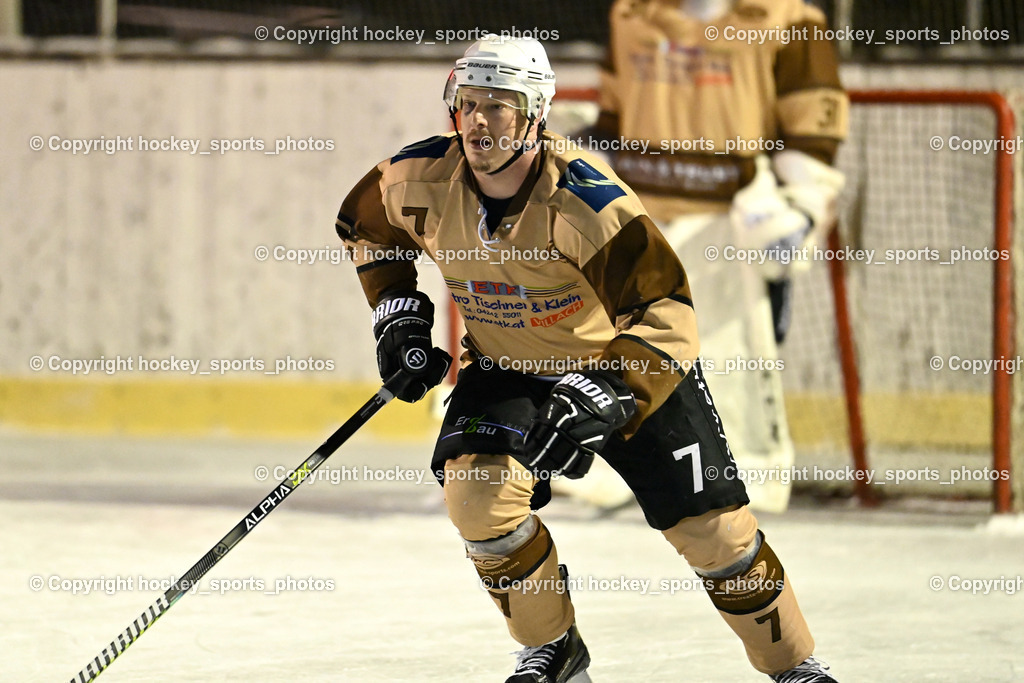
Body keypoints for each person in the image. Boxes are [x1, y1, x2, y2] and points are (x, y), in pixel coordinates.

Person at [335, 34, 837, 683]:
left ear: (536, 112)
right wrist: (397, 317)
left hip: (620, 365)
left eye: (500, 104)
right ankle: (553, 649)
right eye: (468, 103)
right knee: (477, 496)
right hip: (507, 363)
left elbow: (668, 311)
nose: (480, 120)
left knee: (717, 537)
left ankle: (796, 666)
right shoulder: (418, 180)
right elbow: (365, 228)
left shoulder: (584, 202)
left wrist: (610, 387)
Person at [585, 0, 849, 512]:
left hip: (736, 234)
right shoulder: (630, 14)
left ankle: (728, 483)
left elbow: (812, 136)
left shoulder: (792, 21)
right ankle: (634, 474)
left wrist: (799, 208)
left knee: (735, 371)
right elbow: (612, 118)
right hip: (643, 225)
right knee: (631, 355)